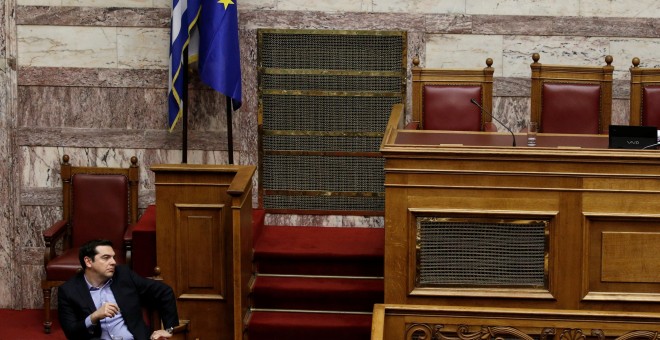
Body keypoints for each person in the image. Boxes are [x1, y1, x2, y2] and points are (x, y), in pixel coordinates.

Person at [58, 239, 179, 340]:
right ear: (88, 261)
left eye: (113, 257)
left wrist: (170, 329)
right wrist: (93, 317)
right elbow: (71, 332)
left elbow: (165, 292)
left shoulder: (124, 275)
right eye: (106, 258)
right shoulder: (69, 291)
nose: (113, 262)